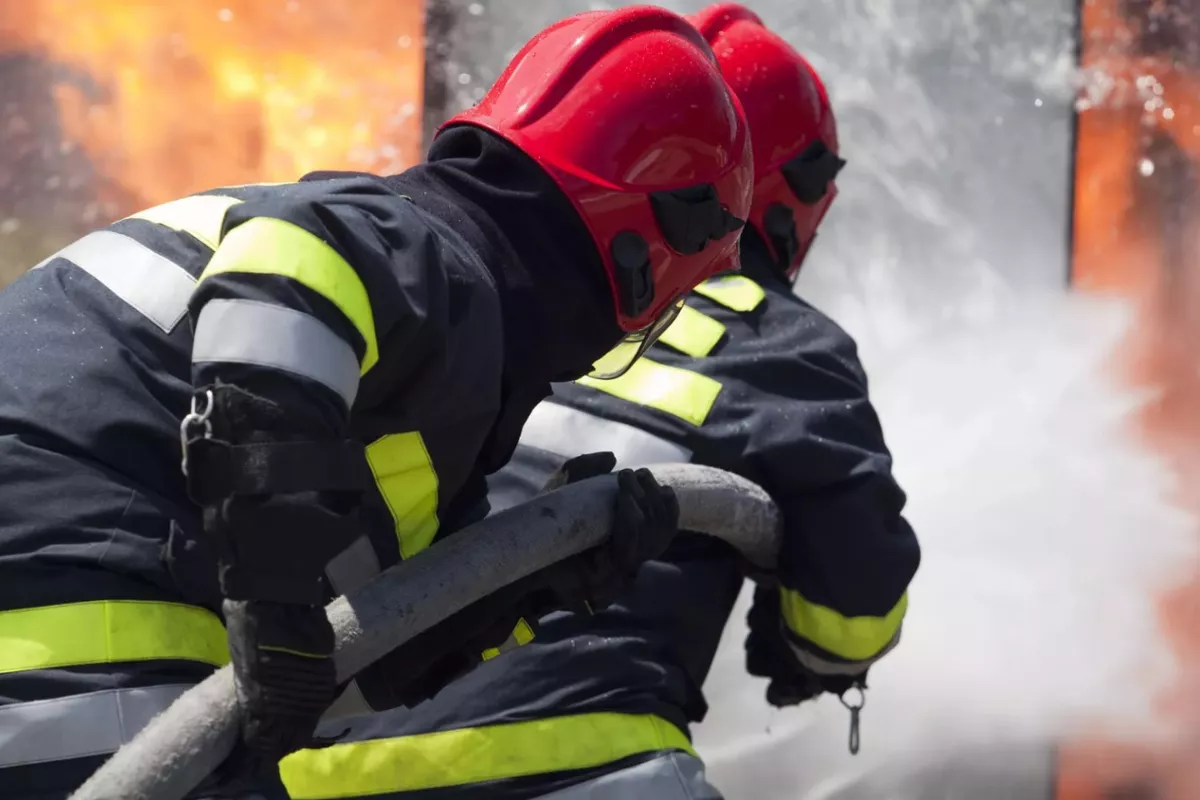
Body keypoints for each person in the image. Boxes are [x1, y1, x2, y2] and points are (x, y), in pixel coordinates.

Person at [0, 7, 755, 798]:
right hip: (73, 606)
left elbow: (331, 674)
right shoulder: (427, 252)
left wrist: (535, 587)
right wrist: (275, 599)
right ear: (644, 255)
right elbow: (290, 269)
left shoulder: (411, 369)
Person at [282, 5, 920, 799]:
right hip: (575, 768)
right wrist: (806, 642)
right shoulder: (777, 343)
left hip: (298, 762)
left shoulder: (477, 299)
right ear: (790, 191)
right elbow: (851, 615)